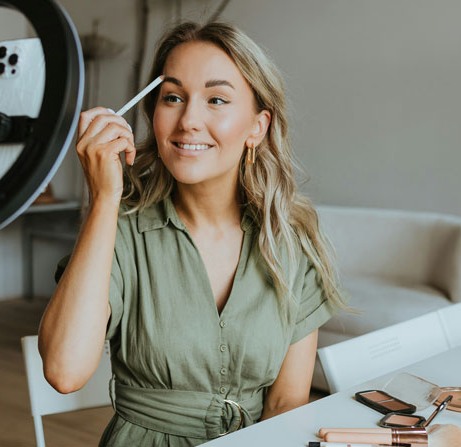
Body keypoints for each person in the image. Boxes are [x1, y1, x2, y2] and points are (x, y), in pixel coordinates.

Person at [38, 21, 347, 446]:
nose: (188, 120)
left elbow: (285, 406)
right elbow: (64, 371)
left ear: (257, 127)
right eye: (173, 97)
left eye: (216, 99)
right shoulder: (121, 233)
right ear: (152, 115)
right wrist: (105, 199)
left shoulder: (290, 241)